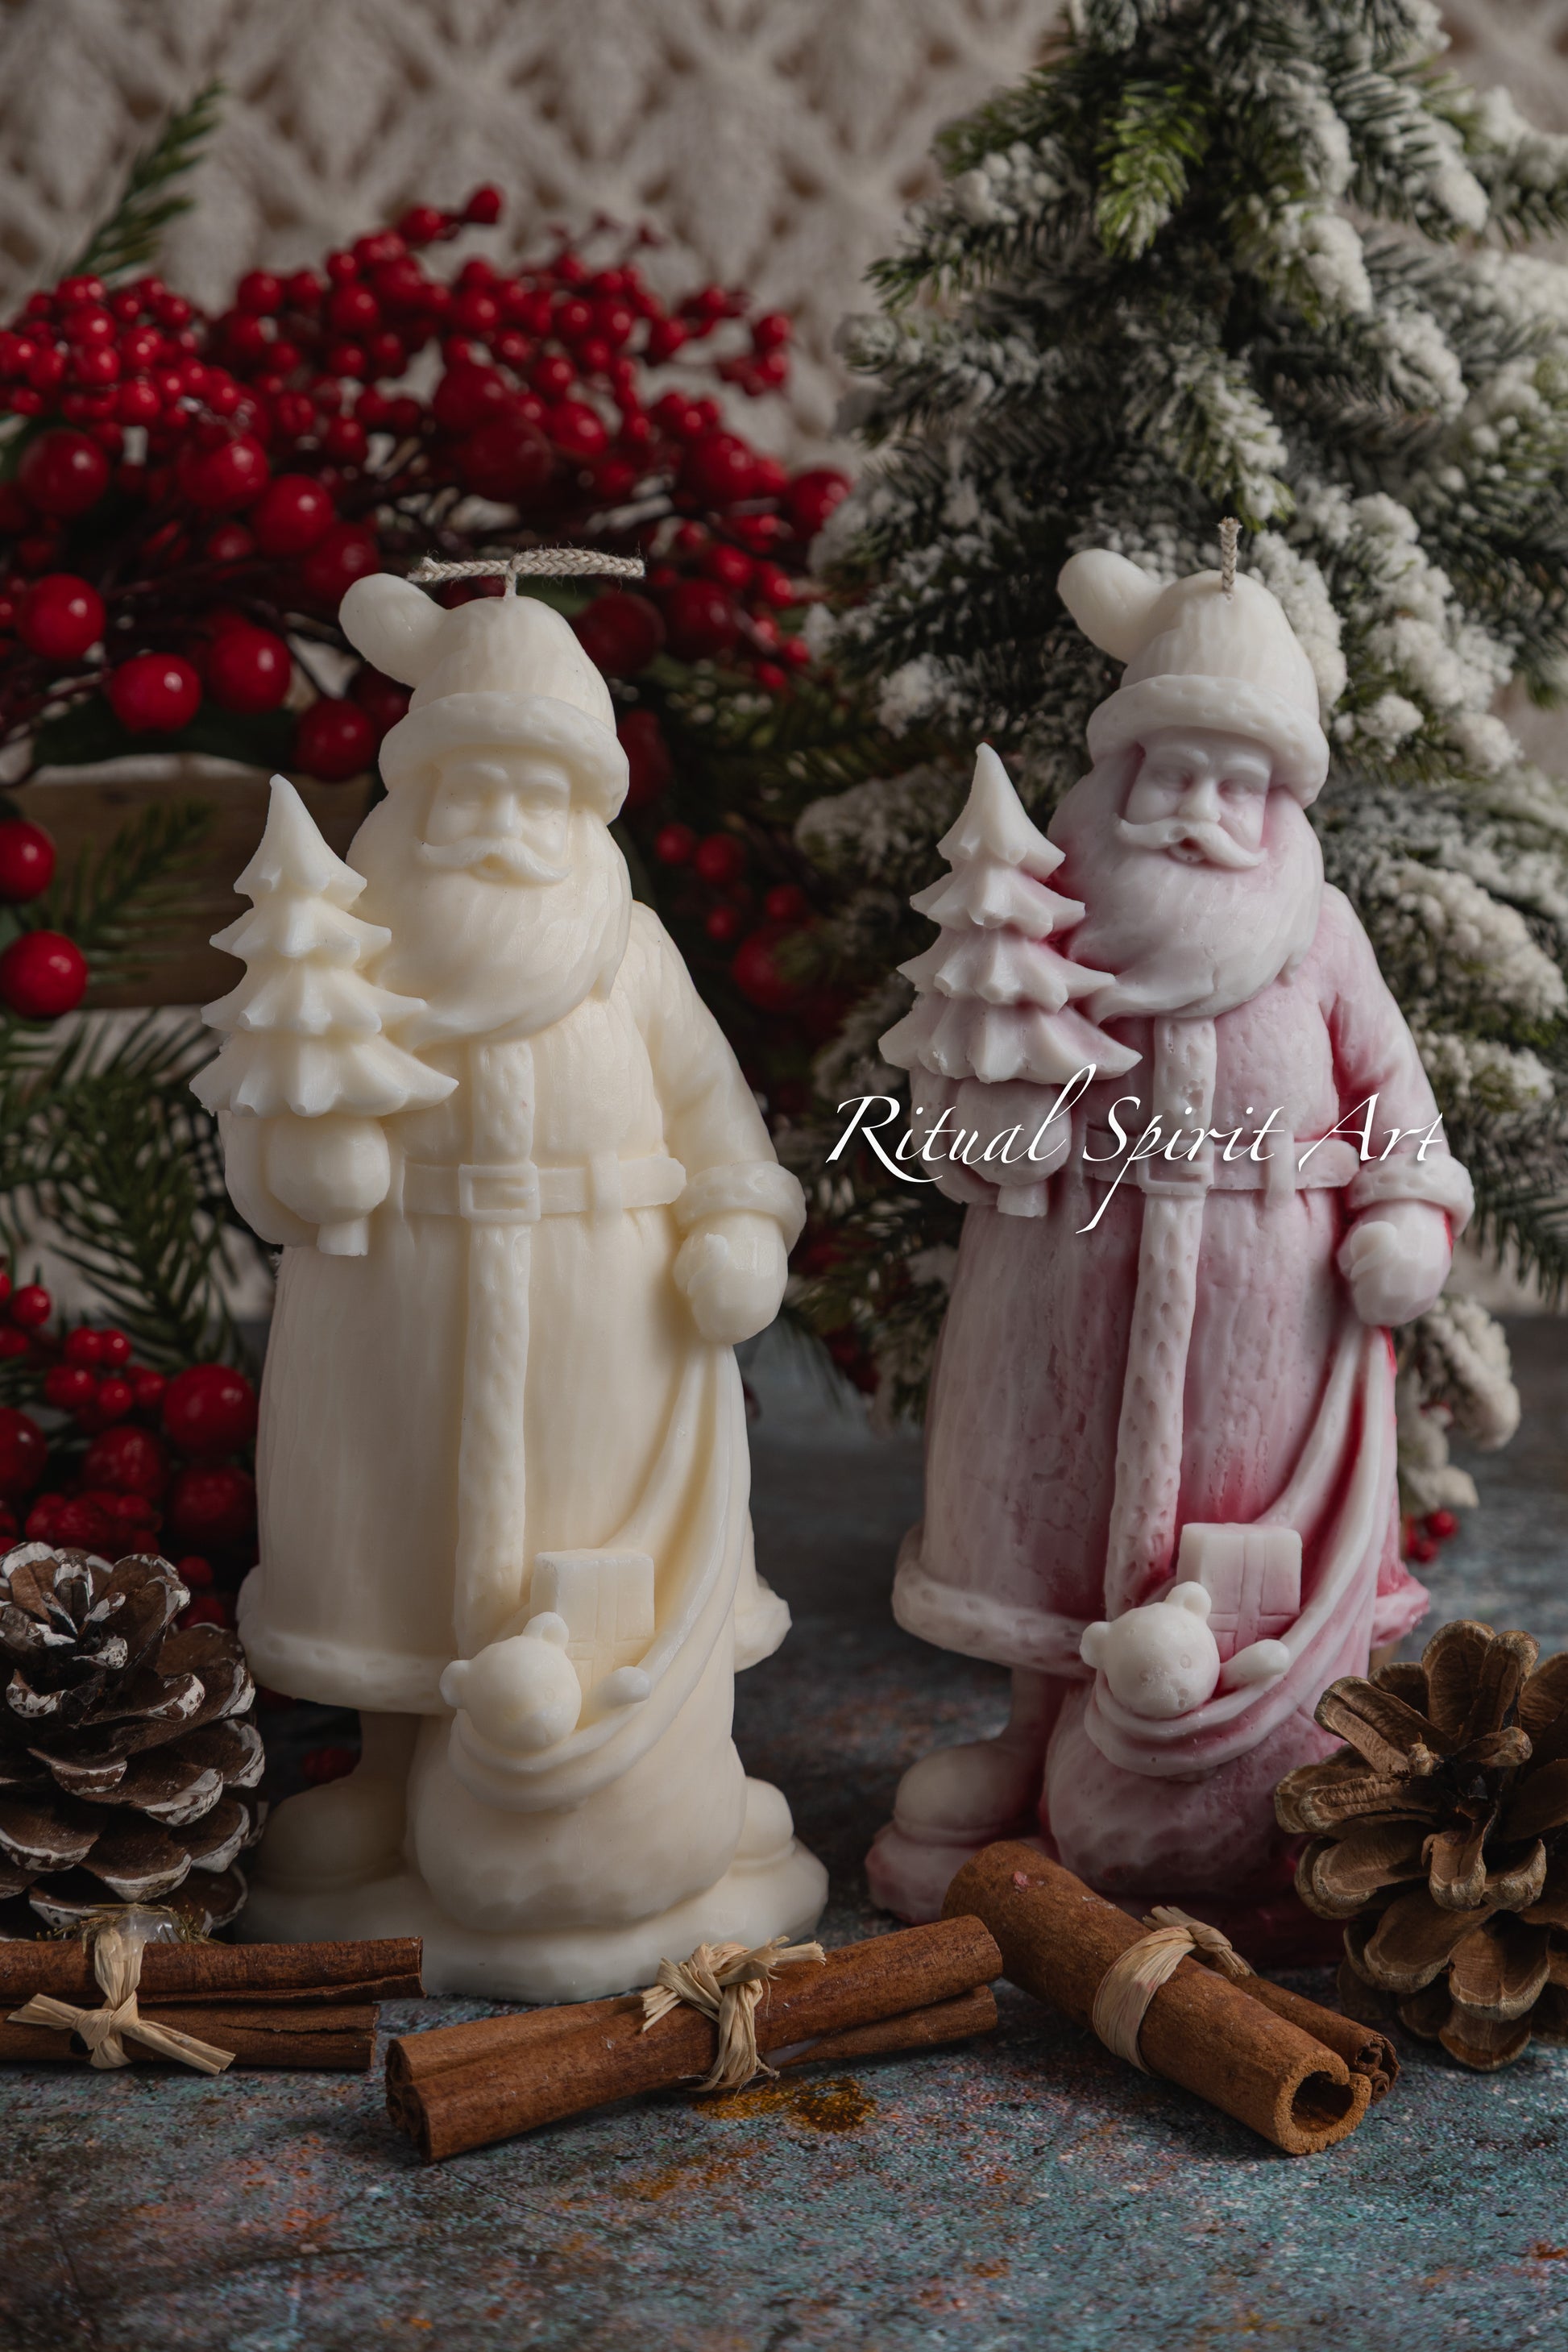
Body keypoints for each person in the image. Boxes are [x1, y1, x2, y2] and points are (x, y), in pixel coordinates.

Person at [218, 572, 824, 1997]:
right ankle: (393, 1773)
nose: (497, 822)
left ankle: (666, 1764)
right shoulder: (353, 955)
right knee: (399, 1537)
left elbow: (718, 1120)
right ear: (420, 793)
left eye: (529, 790)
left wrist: (739, 1225)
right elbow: (273, 1109)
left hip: (606, 1309)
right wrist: (306, 1169)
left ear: (581, 802)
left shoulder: (629, 952)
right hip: (403, 1299)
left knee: (601, 1547)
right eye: (468, 788)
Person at [869, 549, 1471, 1935]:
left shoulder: (1318, 930)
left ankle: (1253, 1785)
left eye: (1232, 781)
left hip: (1271, 1293)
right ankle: (1035, 1744)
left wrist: (1402, 1212)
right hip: (1069, 1270)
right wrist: (980, 1132)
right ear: (1123, 767)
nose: (1196, 809)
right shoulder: (1052, 917)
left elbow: (1392, 1095)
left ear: (1280, 794)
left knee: (1237, 1529)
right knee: (1052, 1508)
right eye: (1170, 772)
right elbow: (980, 1056)